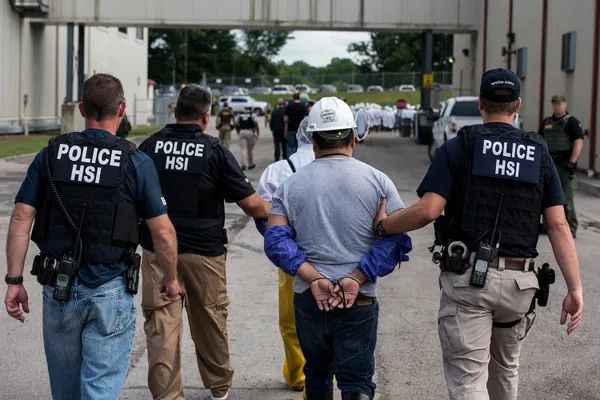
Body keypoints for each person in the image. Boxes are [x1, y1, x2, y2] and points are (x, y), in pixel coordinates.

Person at [375, 69, 584, 400]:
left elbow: (429, 210)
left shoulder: (461, 147)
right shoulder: (538, 153)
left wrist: (384, 225)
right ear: (518, 104)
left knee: (469, 380)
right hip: (520, 284)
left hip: (470, 280)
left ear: (480, 103)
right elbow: (558, 225)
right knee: (505, 370)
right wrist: (574, 288)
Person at [4, 73, 180, 400]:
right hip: (109, 289)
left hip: (58, 288)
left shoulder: (51, 154)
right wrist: (170, 278)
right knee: (99, 390)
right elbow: (163, 232)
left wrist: (14, 280)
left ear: (83, 107)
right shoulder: (136, 162)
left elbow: (20, 217)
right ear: (122, 108)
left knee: (66, 391)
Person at [264, 97, 412, 400]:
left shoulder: (290, 186)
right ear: (354, 138)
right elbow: (396, 239)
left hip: (309, 299)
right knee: (357, 383)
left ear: (313, 141)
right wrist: (357, 277)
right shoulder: (379, 182)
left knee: (316, 374)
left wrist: (313, 277)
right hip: (359, 299)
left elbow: (276, 240)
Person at [138, 85, 270, 400]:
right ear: (206, 117)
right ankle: (219, 385)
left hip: (157, 251)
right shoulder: (214, 151)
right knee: (210, 320)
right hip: (204, 252)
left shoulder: (149, 148)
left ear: (175, 111)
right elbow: (253, 206)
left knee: (161, 326)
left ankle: (167, 395)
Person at [256, 117, 314, 391]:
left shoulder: (278, 171)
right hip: (337, 259)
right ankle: (326, 374)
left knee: (291, 322)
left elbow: (261, 215)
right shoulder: (351, 170)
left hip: (292, 260)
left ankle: (297, 375)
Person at [539, 95, 584, 237]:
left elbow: (578, 142)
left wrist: (572, 162)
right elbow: (540, 141)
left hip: (564, 164)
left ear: (565, 104)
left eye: (560, 104)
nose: (557, 106)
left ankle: (571, 226)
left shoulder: (571, 122)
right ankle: (548, 225)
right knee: (546, 196)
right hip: (549, 163)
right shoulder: (547, 122)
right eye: (555, 104)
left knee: (566, 197)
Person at [284, 92, 308, 157]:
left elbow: (286, 120)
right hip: (300, 130)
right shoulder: (303, 107)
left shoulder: (289, 107)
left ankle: (290, 160)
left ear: (293, 98)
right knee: (299, 146)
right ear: (299, 98)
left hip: (290, 129)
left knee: (290, 146)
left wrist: (285, 131)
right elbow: (305, 121)